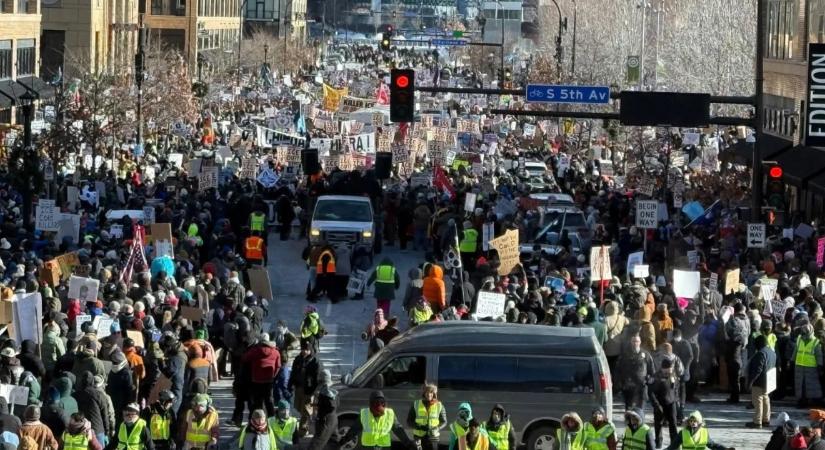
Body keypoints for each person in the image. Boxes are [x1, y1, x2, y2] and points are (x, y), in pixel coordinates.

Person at [340, 390, 412, 449]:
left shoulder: (390, 414)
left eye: (381, 404)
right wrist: (343, 440)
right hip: (369, 447)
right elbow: (354, 430)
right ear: (371, 406)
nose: (378, 413)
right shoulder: (365, 414)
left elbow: (398, 430)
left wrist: (408, 443)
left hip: (383, 447)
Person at [288, 340, 322, 439]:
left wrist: (313, 391)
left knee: (306, 411)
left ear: (310, 350)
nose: (304, 351)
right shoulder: (298, 359)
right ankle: (307, 422)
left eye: (306, 350)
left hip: (309, 391)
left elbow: (317, 379)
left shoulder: (315, 362)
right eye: (303, 349)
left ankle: (303, 430)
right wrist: (290, 385)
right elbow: (293, 373)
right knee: (299, 408)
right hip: (299, 389)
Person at [242, 333, 281, 418]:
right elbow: (278, 366)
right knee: (269, 401)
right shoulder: (276, 352)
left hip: (256, 380)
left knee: (257, 402)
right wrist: (273, 375)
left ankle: (258, 419)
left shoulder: (255, 350)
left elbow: (244, 358)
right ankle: (271, 419)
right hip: (269, 380)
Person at [616, 335, 654, 410]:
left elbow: (651, 370)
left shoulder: (646, 355)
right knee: (629, 410)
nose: (635, 343)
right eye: (633, 341)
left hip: (641, 387)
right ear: (631, 342)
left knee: (640, 410)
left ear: (640, 342)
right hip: (628, 386)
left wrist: (649, 380)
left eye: (637, 341)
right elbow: (618, 370)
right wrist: (620, 383)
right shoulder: (625, 355)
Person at [746, 334, 776, 429]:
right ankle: (766, 420)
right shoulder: (772, 352)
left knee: (758, 400)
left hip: (759, 381)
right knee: (766, 399)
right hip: (769, 379)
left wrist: (750, 382)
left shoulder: (760, 353)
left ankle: (757, 421)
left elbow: (757, 370)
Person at [649, 358, 679, 449]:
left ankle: (674, 443)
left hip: (671, 403)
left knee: (673, 423)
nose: (669, 371)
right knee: (658, 424)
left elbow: (676, 389)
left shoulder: (673, 375)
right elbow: (651, 392)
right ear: (662, 368)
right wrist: (656, 405)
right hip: (660, 403)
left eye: (670, 369)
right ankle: (658, 442)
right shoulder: (656, 377)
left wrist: (677, 401)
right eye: (667, 369)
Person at [664, 411, 734, 450]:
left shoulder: (704, 432)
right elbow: (673, 446)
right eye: (691, 421)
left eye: (695, 421)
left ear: (699, 422)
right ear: (688, 422)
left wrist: (725, 449)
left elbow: (712, 445)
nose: (693, 422)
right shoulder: (683, 433)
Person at [406, 384, 447, 450]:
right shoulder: (416, 404)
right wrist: (418, 426)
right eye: (427, 392)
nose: (429, 394)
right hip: (418, 436)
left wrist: (437, 428)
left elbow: (444, 421)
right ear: (424, 393)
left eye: (431, 392)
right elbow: (409, 421)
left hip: (433, 437)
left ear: (434, 393)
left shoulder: (439, 405)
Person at [307, 370, 338, 450]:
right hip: (332, 419)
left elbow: (332, 406)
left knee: (317, 444)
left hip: (326, 421)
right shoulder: (332, 389)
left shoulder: (327, 391)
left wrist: (326, 395)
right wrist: (316, 405)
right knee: (334, 442)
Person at [795, 323, 823, 407]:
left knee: (812, 386)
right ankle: (801, 402)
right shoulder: (799, 339)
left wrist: (820, 366)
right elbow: (796, 350)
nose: (803, 334)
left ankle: (814, 401)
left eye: (805, 332)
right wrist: (791, 361)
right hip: (799, 366)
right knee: (800, 386)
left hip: (811, 367)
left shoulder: (815, 341)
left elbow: (819, 355)